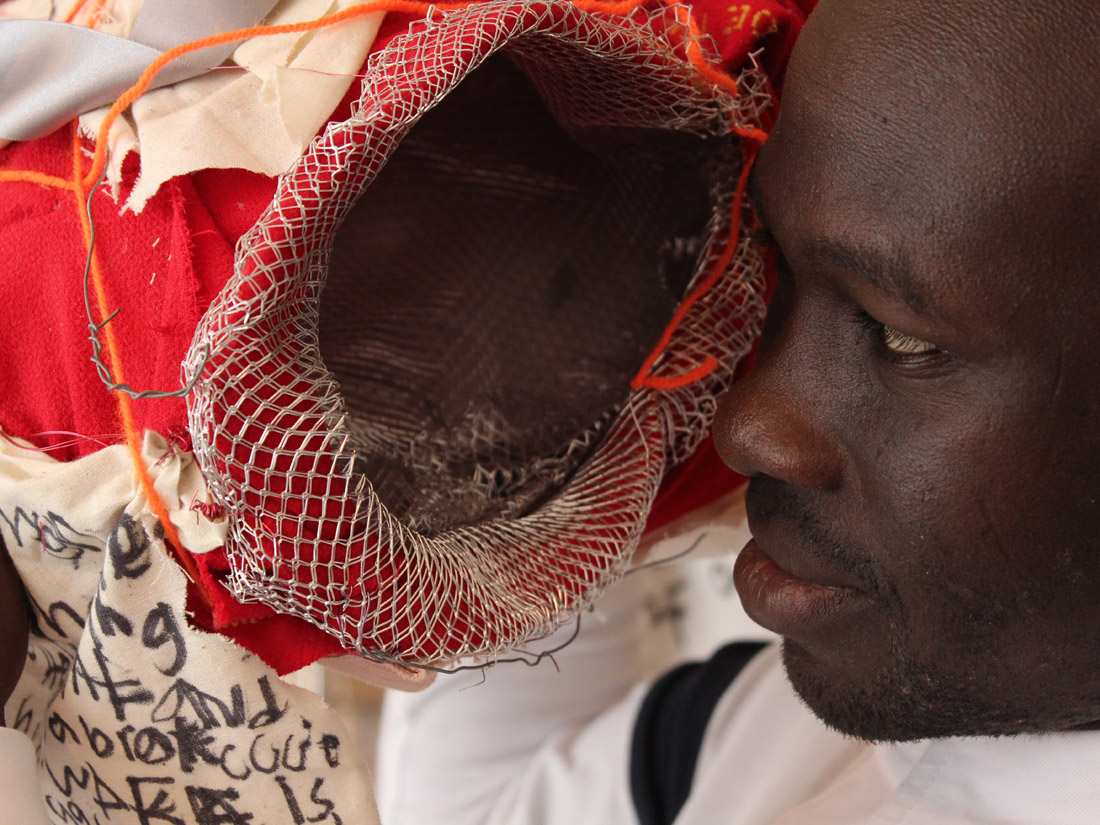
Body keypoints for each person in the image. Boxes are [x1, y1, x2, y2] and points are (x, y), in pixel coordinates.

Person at [375, 0, 1100, 823]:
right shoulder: (821, 722)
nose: (745, 427)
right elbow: (481, 804)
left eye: (900, 338)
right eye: (775, 264)